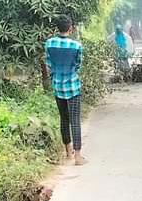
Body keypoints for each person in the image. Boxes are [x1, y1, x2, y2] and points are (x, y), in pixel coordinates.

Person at [45, 15, 86, 166]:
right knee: (75, 120)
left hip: (57, 85)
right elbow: (78, 65)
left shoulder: (49, 43)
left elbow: (48, 62)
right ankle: (78, 157)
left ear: (57, 28)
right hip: (72, 86)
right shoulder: (76, 46)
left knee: (64, 118)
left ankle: (68, 152)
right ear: (70, 28)